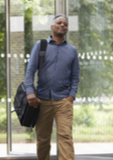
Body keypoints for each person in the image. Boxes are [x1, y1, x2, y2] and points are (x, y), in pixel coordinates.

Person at [24, 14, 80, 160]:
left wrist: (71, 96)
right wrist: (30, 93)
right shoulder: (40, 46)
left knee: (65, 137)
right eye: (59, 23)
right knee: (43, 139)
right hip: (41, 100)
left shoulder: (72, 50)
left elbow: (75, 76)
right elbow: (30, 71)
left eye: (65, 24)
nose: (62, 25)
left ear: (67, 29)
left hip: (63, 101)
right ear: (52, 27)